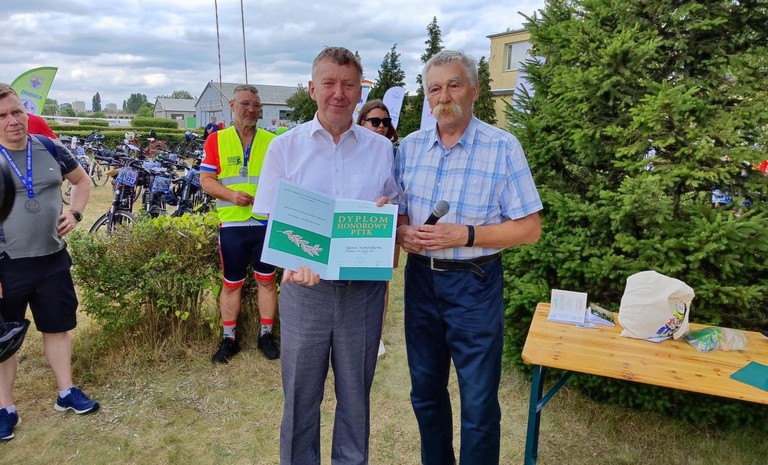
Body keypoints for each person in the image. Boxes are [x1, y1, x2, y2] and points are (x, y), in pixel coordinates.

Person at [252, 46, 401, 465]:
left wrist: (385, 211)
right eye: (330, 83)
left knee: (356, 398)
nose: (339, 93)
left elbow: (394, 206)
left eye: (349, 85)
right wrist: (291, 261)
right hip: (305, 293)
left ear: (359, 92)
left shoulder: (381, 149)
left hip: (363, 293)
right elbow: (271, 218)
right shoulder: (284, 147)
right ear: (312, 88)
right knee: (301, 397)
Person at [395, 50, 543, 465]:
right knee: (425, 392)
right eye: (434, 88)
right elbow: (400, 211)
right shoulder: (409, 148)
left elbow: (530, 228)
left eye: (454, 85)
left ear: (475, 91)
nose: (444, 96)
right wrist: (403, 231)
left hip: (475, 283)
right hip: (421, 281)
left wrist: (468, 234)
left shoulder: (502, 147)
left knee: (478, 403)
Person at [0, 83, 98, 442]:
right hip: (7, 264)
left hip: (52, 258)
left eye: (17, 112)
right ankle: (5, 408)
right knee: (4, 339)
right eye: (2, 116)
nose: (12, 120)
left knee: (57, 327)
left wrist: (75, 213)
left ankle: (66, 392)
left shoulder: (50, 147)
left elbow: (83, 182)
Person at [200, 85, 280, 363]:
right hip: (232, 224)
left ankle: (266, 335)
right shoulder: (216, 139)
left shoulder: (272, 141)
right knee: (232, 283)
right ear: (232, 105)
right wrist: (232, 195)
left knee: (267, 281)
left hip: (264, 222)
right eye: (245, 104)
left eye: (256, 105)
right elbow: (206, 180)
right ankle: (229, 340)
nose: (251, 110)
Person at [356, 99, 399, 357]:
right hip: (354, 224)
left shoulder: (390, 151)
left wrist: (391, 202)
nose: (381, 126)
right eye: (375, 121)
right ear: (361, 122)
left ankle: (377, 334)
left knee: (381, 280)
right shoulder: (351, 148)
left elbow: (396, 189)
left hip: (381, 223)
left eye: (385, 122)